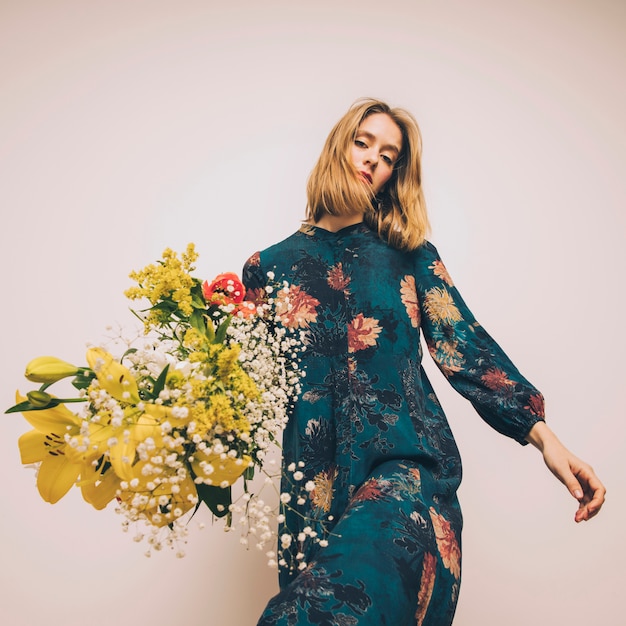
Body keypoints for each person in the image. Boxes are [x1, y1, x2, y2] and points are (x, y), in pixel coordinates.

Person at [242, 98, 605, 626]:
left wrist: (547, 439)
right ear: (337, 145)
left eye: (388, 155)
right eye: (363, 142)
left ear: (394, 175)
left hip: (408, 470)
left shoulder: (411, 255)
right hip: (313, 496)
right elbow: (248, 392)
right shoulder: (266, 269)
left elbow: (466, 348)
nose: (372, 159)